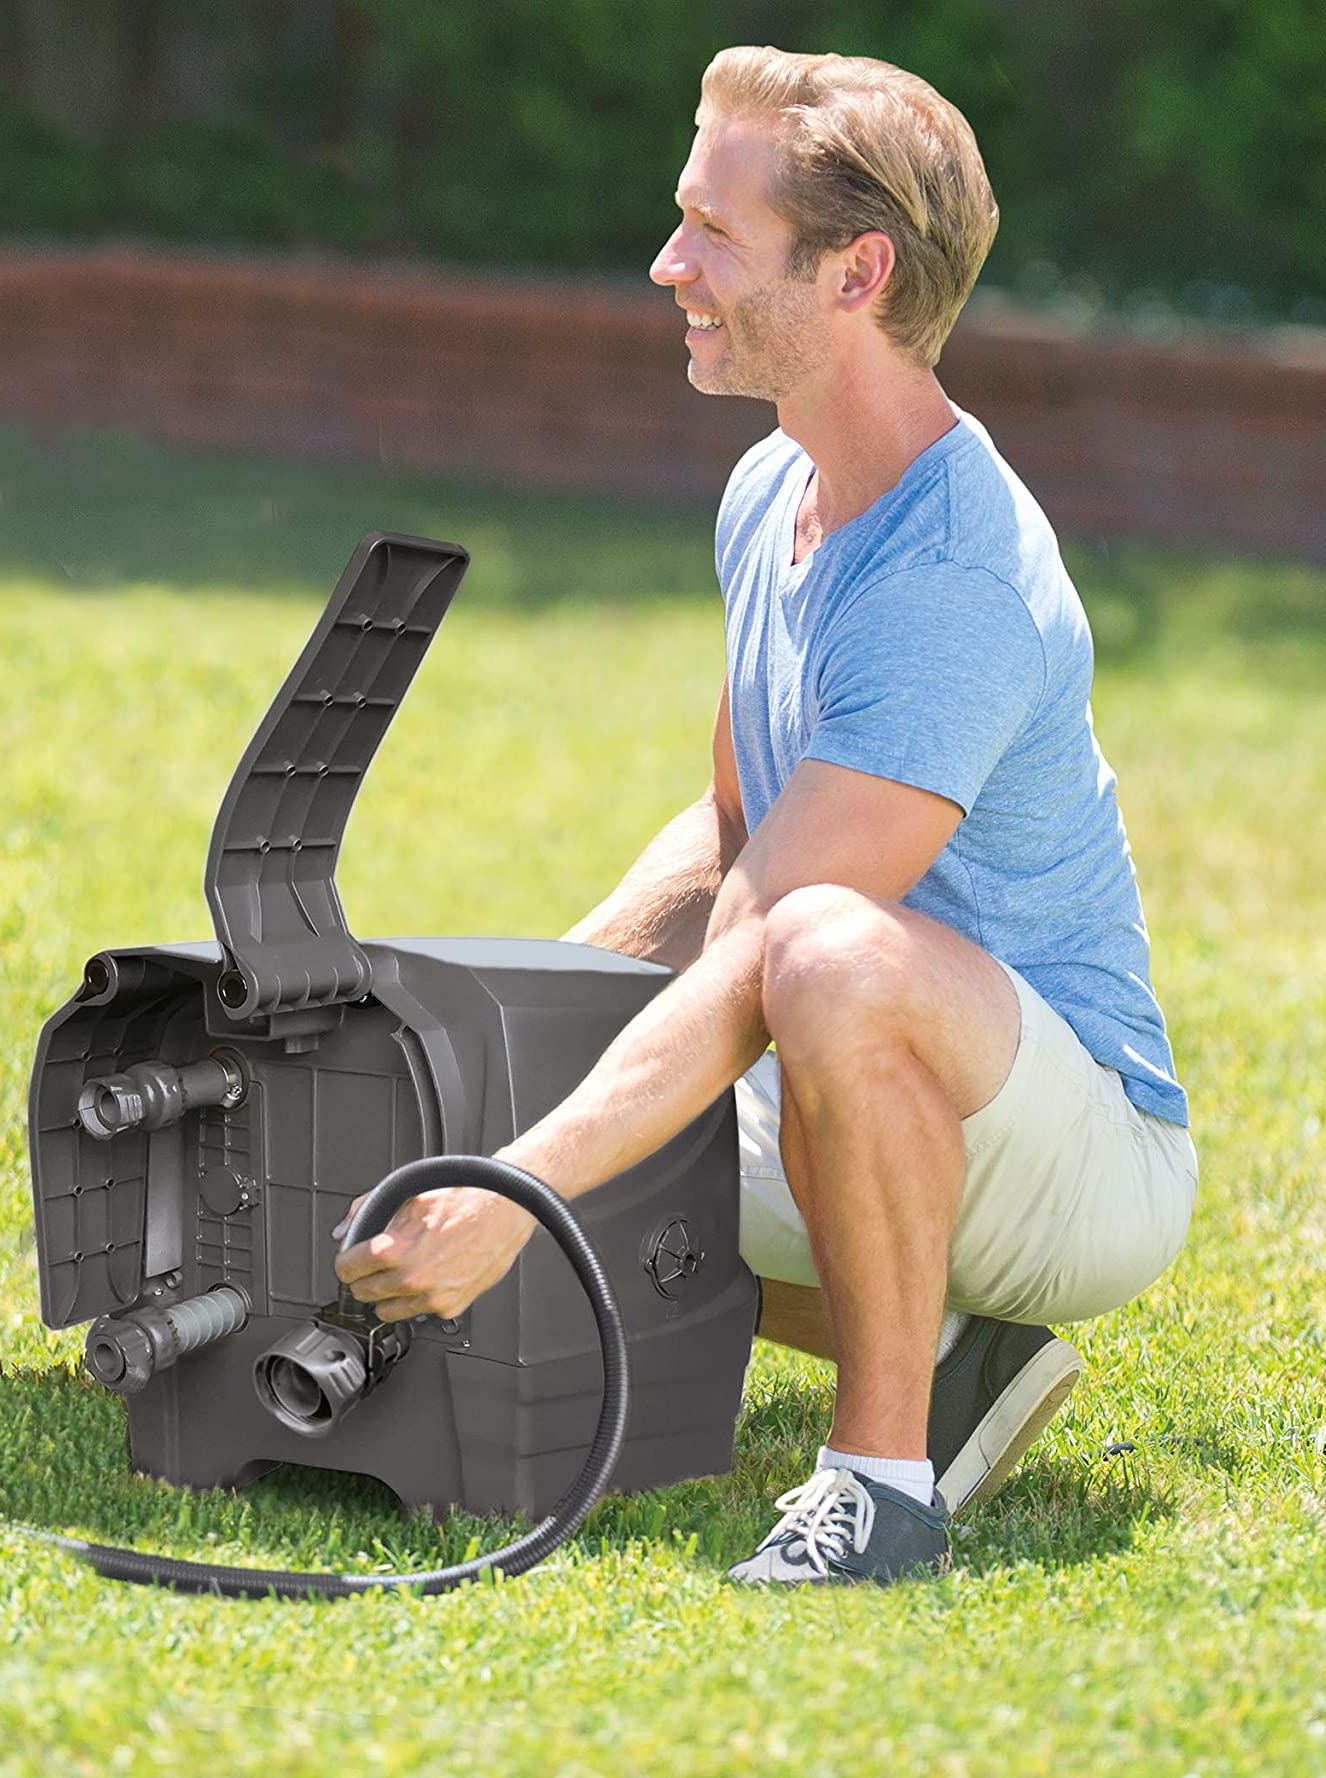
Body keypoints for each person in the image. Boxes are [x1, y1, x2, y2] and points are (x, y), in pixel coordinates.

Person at [333, 45, 1195, 1586]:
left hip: (1072, 1155)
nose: (669, 265)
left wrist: (521, 1180)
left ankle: (881, 1491)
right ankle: (958, 1356)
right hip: (840, 1062)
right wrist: (500, 1047)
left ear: (857, 274)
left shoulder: (953, 578)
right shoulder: (770, 489)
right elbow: (731, 835)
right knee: (521, 1104)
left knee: (819, 960)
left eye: (714, 234)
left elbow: (770, 948)